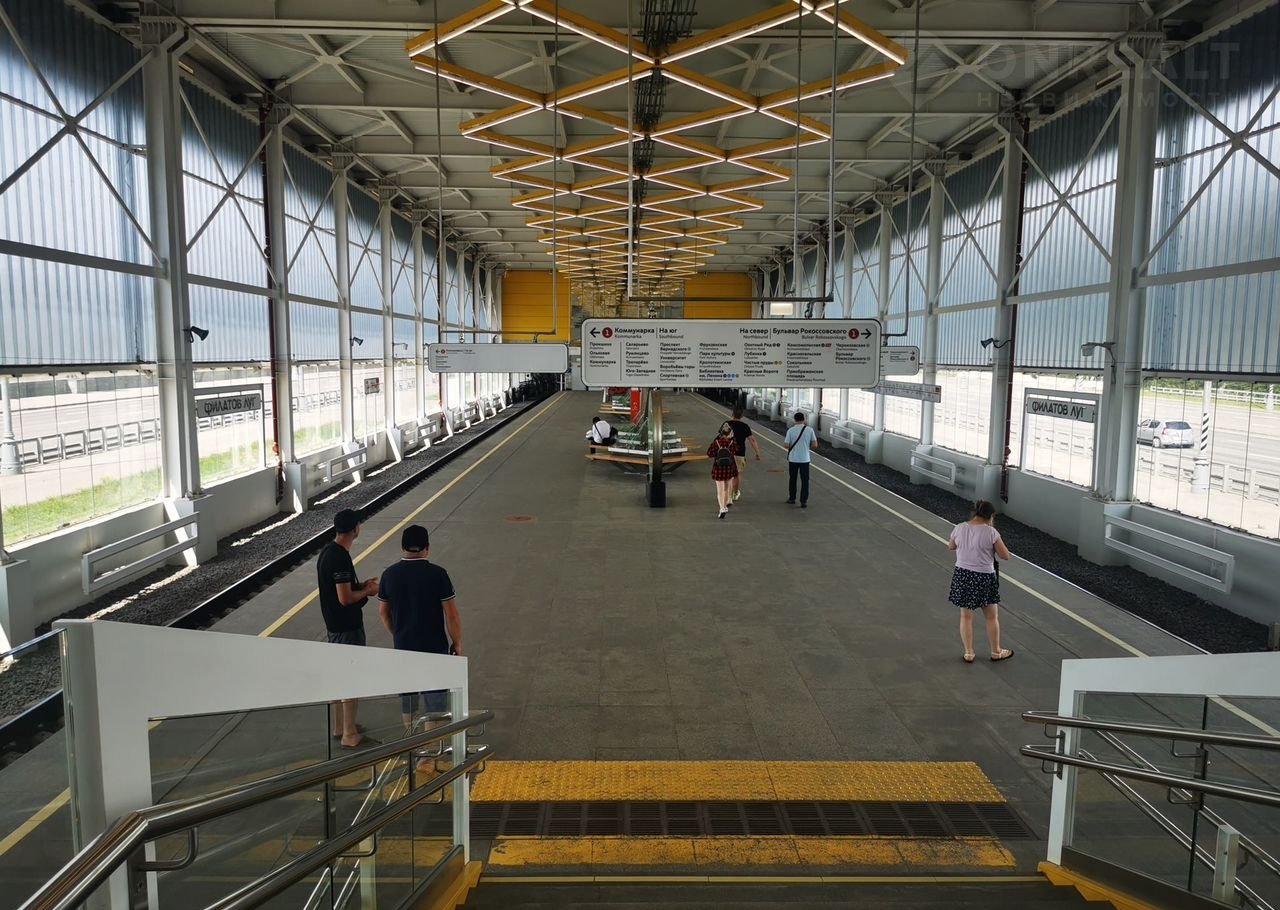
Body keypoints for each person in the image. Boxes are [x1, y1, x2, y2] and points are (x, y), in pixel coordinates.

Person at [377, 525, 462, 758]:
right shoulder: (438, 574)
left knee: (409, 701)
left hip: (404, 648)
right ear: (427, 548)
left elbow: (383, 612)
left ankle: (413, 748)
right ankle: (428, 755)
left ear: (402, 547)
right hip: (434, 648)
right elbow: (451, 615)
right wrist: (457, 642)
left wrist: (397, 633)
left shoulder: (389, 575)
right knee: (435, 703)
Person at [317, 509, 380, 749]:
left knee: (339, 674)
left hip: (334, 625)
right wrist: (368, 591)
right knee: (351, 677)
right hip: (347, 627)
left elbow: (340, 588)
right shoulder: (340, 558)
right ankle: (350, 734)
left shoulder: (327, 552)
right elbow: (345, 598)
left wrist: (361, 585)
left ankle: (340, 727)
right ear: (356, 529)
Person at [948, 500, 1014, 663]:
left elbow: (951, 546)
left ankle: (969, 653)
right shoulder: (991, 532)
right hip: (984, 577)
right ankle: (996, 651)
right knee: (991, 617)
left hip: (963, 575)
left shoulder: (960, 527)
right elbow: (1005, 555)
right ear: (991, 516)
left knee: (966, 617)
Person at [783, 411, 818, 507]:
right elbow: (815, 445)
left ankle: (792, 498)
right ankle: (803, 501)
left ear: (795, 420)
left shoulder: (791, 430)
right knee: (805, 480)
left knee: (793, 479)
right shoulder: (810, 430)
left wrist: (793, 446)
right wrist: (805, 446)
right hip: (805, 459)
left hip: (793, 459)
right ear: (804, 420)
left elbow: (786, 445)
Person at [726, 408, 761, 501]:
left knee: (727, 474)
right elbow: (752, 440)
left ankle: (727, 495)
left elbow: (721, 438)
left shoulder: (727, 424)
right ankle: (735, 493)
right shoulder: (745, 426)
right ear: (742, 416)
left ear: (732, 414)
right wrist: (757, 452)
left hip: (727, 453)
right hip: (739, 453)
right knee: (737, 474)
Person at [706, 422, 739, 519]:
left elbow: (709, 453)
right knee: (726, 488)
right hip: (729, 468)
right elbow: (736, 450)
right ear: (730, 433)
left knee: (720, 490)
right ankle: (725, 505)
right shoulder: (732, 443)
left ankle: (722, 508)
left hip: (718, 468)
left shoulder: (716, 442)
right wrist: (732, 439)